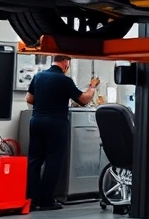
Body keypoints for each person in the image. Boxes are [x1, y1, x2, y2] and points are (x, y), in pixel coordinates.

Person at [25, 55, 99, 210]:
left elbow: (29, 99)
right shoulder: (64, 80)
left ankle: (31, 200)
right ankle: (46, 201)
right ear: (66, 62)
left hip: (36, 121)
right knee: (53, 161)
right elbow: (84, 100)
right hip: (55, 123)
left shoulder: (38, 76)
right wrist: (92, 87)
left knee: (34, 160)